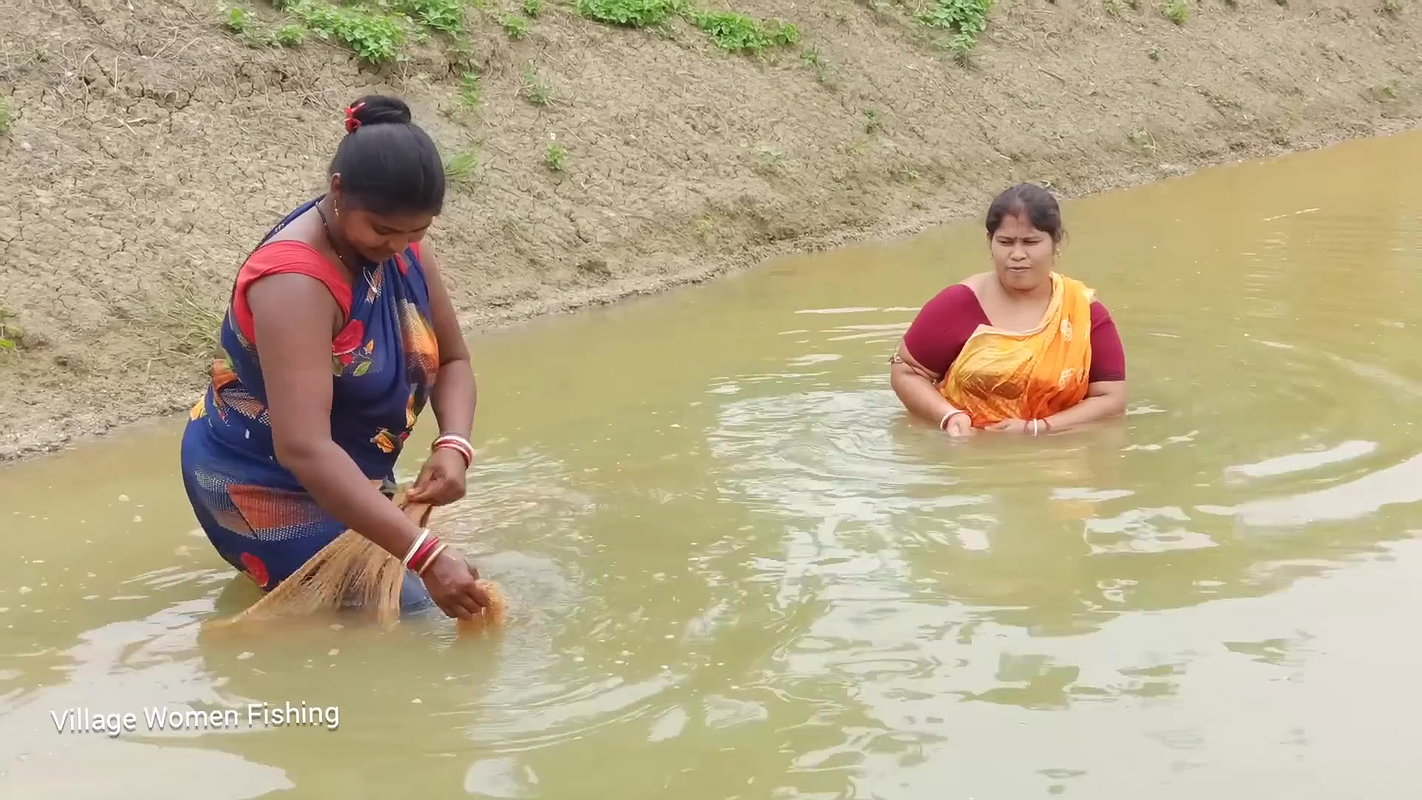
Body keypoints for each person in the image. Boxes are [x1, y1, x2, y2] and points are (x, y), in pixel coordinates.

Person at [180, 95, 493, 621]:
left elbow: (455, 361)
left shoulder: (400, 244)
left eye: (417, 232)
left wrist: (454, 444)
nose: (400, 247)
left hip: (348, 470)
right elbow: (303, 448)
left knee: (450, 592)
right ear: (338, 190)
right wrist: (427, 555)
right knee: (413, 623)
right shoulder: (295, 285)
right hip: (266, 486)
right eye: (385, 231)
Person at [890, 182, 1127, 436]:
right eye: (1005, 242)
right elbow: (907, 372)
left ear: (1055, 243)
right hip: (967, 454)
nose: (1017, 254)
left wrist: (1037, 428)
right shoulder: (959, 304)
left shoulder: (1083, 312)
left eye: (1030, 242)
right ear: (990, 243)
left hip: (1056, 457)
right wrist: (949, 417)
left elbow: (1110, 399)